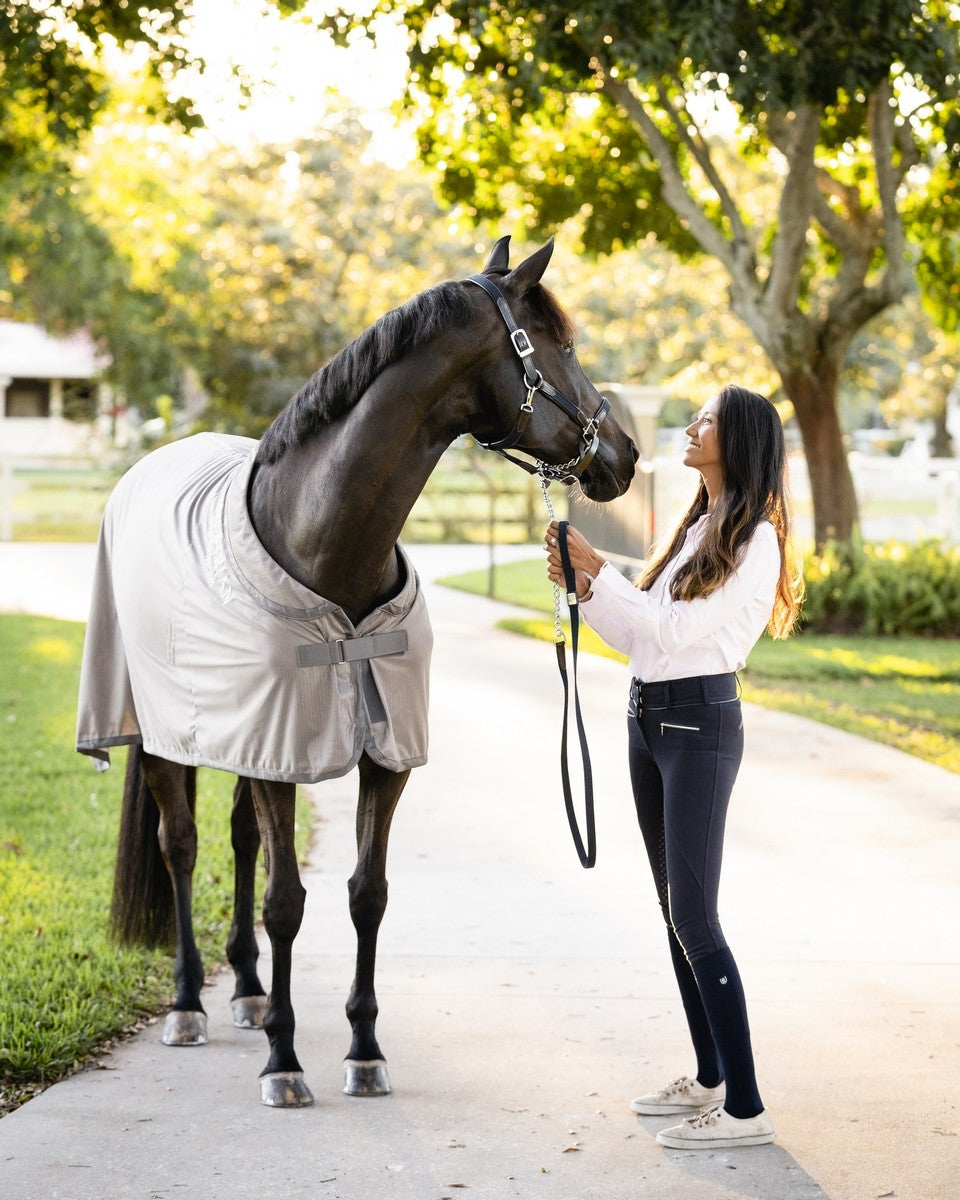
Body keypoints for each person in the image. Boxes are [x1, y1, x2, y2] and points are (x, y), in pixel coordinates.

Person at [545, 384, 802, 1150]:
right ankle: (709, 1075)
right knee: (673, 912)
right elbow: (641, 638)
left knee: (695, 915)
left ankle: (746, 1110)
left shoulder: (756, 543)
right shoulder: (698, 528)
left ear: (742, 440)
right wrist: (584, 584)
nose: (694, 427)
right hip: (649, 720)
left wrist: (603, 571)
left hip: (699, 726)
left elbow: (679, 631)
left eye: (708, 420)